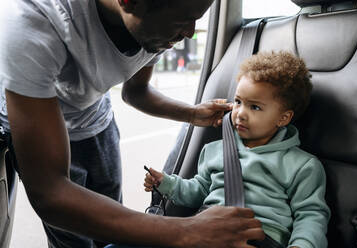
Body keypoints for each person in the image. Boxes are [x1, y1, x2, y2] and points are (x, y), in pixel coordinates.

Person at [0, 0, 266, 247]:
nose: (189, 32)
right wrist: (187, 231)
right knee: (74, 237)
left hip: (97, 121)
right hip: (42, 124)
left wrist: (192, 114)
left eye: (195, 19)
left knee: (108, 225)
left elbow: (135, 91)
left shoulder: (156, 26)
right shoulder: (32, 22)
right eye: (182, 21)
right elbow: (50, 192)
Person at [144, 51, 331, 248]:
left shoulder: (302, 165)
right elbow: (199, 190)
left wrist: (301, 245)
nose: (240, 114)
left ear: (283, 118)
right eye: (239, 102)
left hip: (261, 237)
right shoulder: (214, 150)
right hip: (207, 230)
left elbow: (311, 215)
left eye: (255, 107)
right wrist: (167, 183)